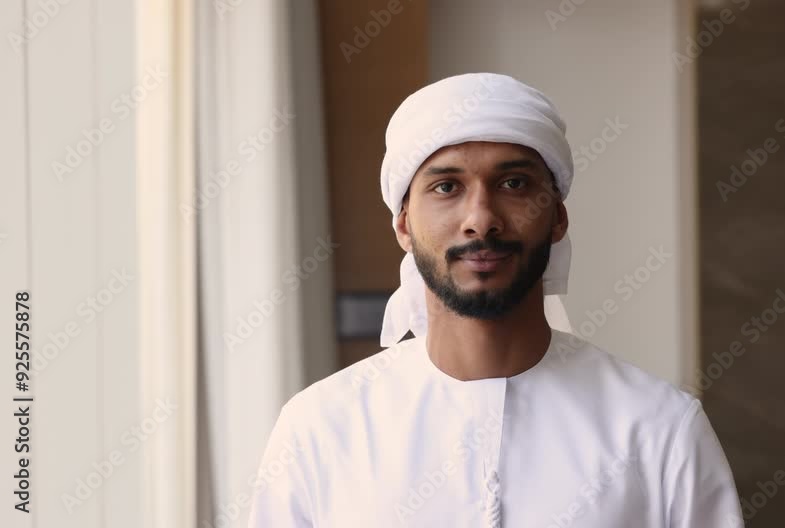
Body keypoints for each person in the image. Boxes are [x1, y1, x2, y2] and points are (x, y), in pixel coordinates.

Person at [247, 73, 743, 527]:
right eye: (446, 187)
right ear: (403, 224)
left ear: (557, 217)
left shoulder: (658, 427)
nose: (481, 219)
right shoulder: (321, 427)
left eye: (513, 184)